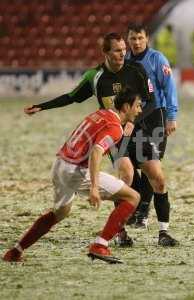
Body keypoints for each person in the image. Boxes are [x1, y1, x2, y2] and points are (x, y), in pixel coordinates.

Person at [22, 32, 158, 247]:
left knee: (153, 174)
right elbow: (71, 97)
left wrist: (134, 121)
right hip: (111, 131)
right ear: (105, 52)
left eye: (124, 49)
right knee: (127, 173)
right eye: (117, 50)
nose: (123, 54)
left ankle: (134, 214)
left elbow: (150, 100)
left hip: (136, 127)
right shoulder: (94, 76)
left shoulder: (136, 70)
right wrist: (42, 106)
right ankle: (120, 230)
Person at [3, 87, 143, 264]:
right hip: (74, 169)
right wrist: (94, 187)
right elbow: (96, 152)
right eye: (137, 106)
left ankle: (15, 251)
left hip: (59, 163)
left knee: (60, 213)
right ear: (126, 106)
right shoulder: (115, 128)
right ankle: (100, 245)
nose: (140, 110)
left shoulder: (100, 114)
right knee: (133, 197)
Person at [124, 23, 179, 246]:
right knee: (136, 165)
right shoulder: (126, 62)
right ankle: (140, 209)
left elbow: (169, 88)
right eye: (133, 38)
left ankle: (143, 214)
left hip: (156, 115)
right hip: (134, 117)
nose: (136, 42)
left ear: (147, 39)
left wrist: (171, 116)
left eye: (140, 38)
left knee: (151, 164)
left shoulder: (158, 59)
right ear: (128, 40)